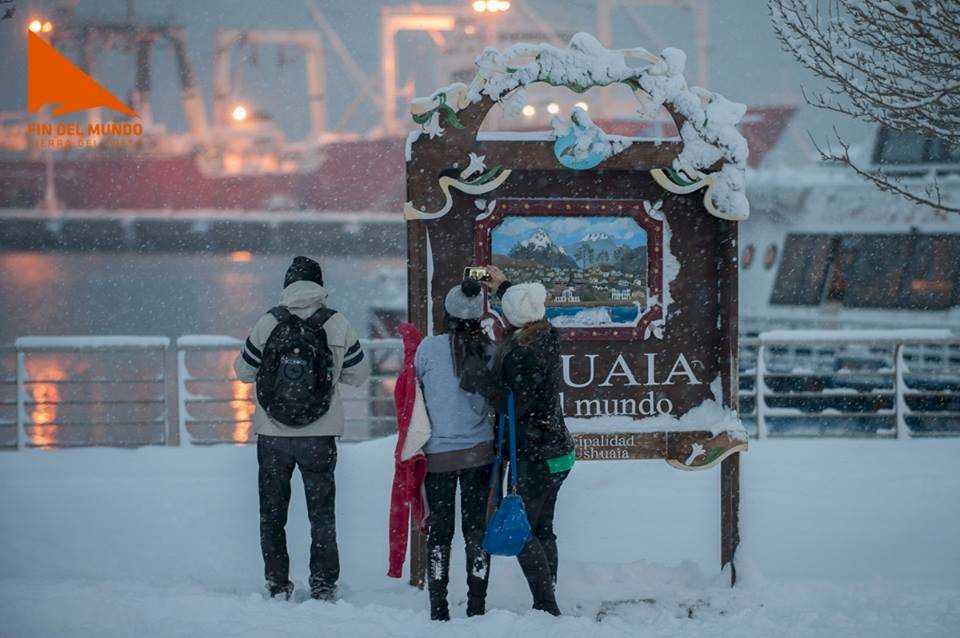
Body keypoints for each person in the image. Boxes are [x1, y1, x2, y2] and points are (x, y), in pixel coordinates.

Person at [234, 256, 370, 601]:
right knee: (321, 514)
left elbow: (243, 371)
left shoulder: (269, 321)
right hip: (320, 435)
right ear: (320, 286)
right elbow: (358, 375)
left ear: (287, 285)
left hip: (273, 436)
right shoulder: (336, 323)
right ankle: (323, 585)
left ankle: (278, 583)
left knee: (272, 513)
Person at [477, 264, 575, 617]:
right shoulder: (547, 335)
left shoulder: (520, 355)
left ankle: (546, 606)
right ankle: (548, 593)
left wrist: (483, 382)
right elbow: (525, 309)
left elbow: (514, 406)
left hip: (535, 454)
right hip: (560, 452)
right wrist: (503, 286)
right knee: (543, 527)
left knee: (521, 532)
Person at [414, 278, 496, 621]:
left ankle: (438, 607)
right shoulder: (491, 350)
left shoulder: (428, 350)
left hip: (438, 457)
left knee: (440, 533)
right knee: (476, 530)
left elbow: (414, 397)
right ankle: (477, 605)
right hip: (479, 454)